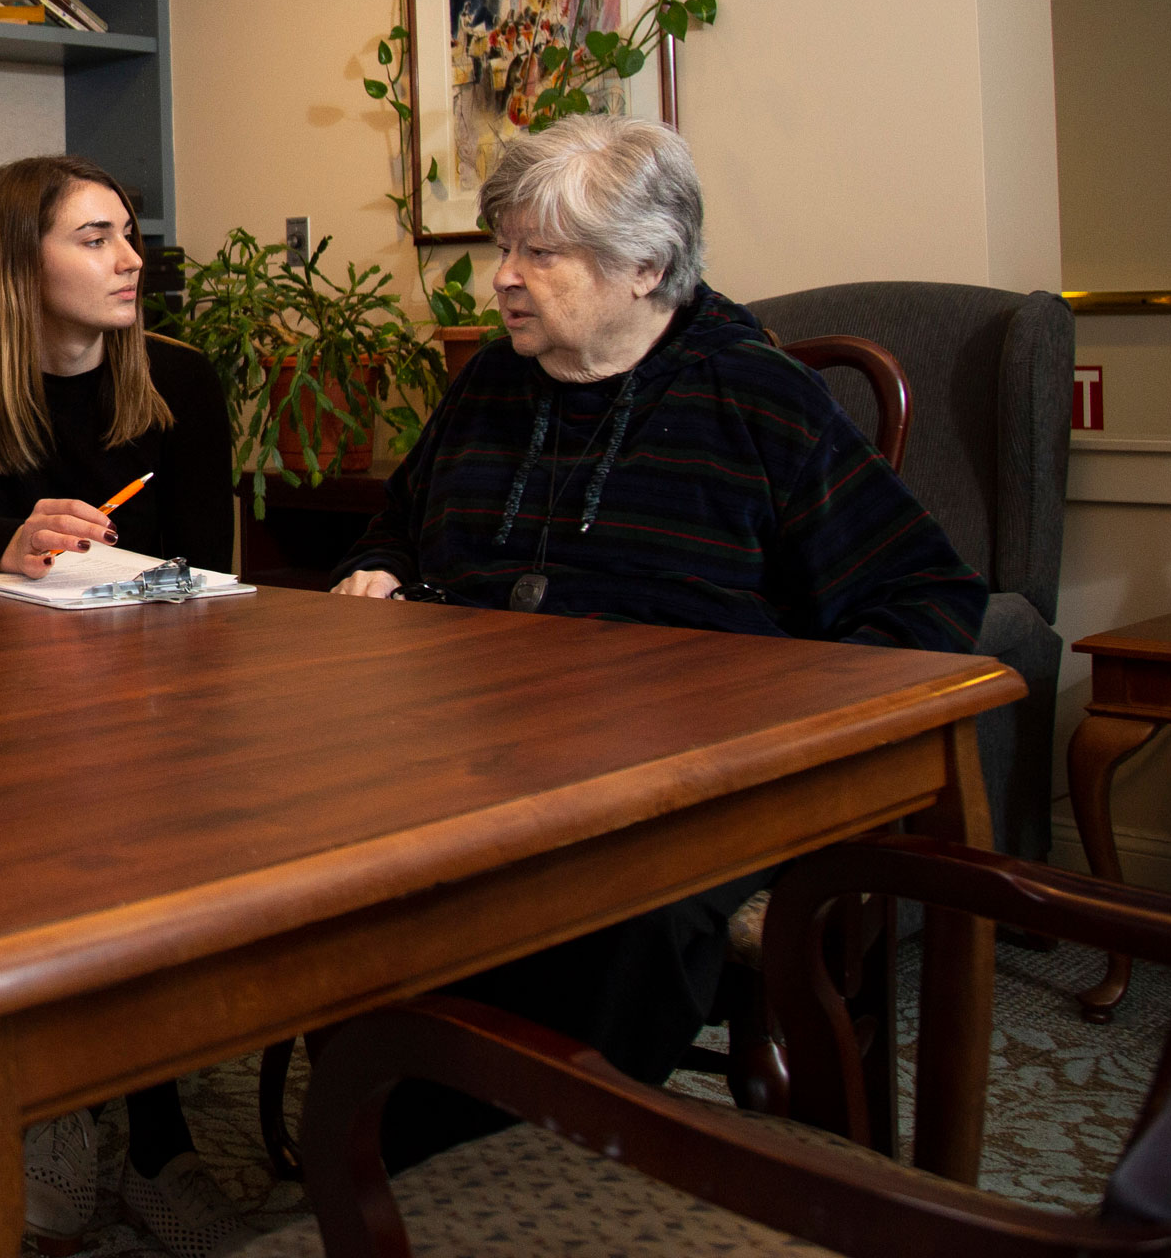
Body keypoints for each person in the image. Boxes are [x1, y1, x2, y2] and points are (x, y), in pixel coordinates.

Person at [328, 112, 984, 1171]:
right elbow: (395, 525)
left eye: (539, 252)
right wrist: (384, 570)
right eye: (504, 246)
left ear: (646, 263)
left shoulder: (756, 395)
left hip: (677, 781)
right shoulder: (489, 385)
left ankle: (503, 1172)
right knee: (324, 861)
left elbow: (926, 599)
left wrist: (758, 714)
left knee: (609, 905)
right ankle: (394, 1140)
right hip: (468, 751)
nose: (502, 277)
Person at [0, 154, 248, 1258]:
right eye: (95, 237)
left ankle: (156, 1131)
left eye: (128, 234)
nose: (132, 259)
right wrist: (6, 536)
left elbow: (204, 566)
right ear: (14, 258)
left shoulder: (182, 380)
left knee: (150, 814)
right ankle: (48, 1100)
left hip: (143, 695)